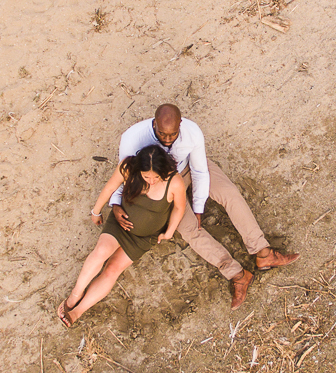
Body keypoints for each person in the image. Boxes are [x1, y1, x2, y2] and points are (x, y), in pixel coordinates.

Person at [108, 104, 298, 309]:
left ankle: (263, 253)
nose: (168, 139)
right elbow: (125, 174)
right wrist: (115, 203)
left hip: (189, 168)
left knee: (230, 194)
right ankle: (237, 274)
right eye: (162, 133)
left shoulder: (192, 132)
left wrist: (199, 206)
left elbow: (199, 170)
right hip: (163, 186)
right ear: (154, 124)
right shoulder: (132, 138)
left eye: (173, 134)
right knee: (190, 230)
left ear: (181, 124)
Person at [59, 145, 186, 327]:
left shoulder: (174, 181)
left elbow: (179, 208)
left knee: (112, 269)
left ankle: (78, 312)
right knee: (101, 251)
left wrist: (169, 232)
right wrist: (96, 212)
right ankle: (75, 296)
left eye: (156, 177)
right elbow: (110, 187)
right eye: (146, 176)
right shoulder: (128, 167)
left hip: (142, 237)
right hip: (120, 224)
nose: (151, 180)